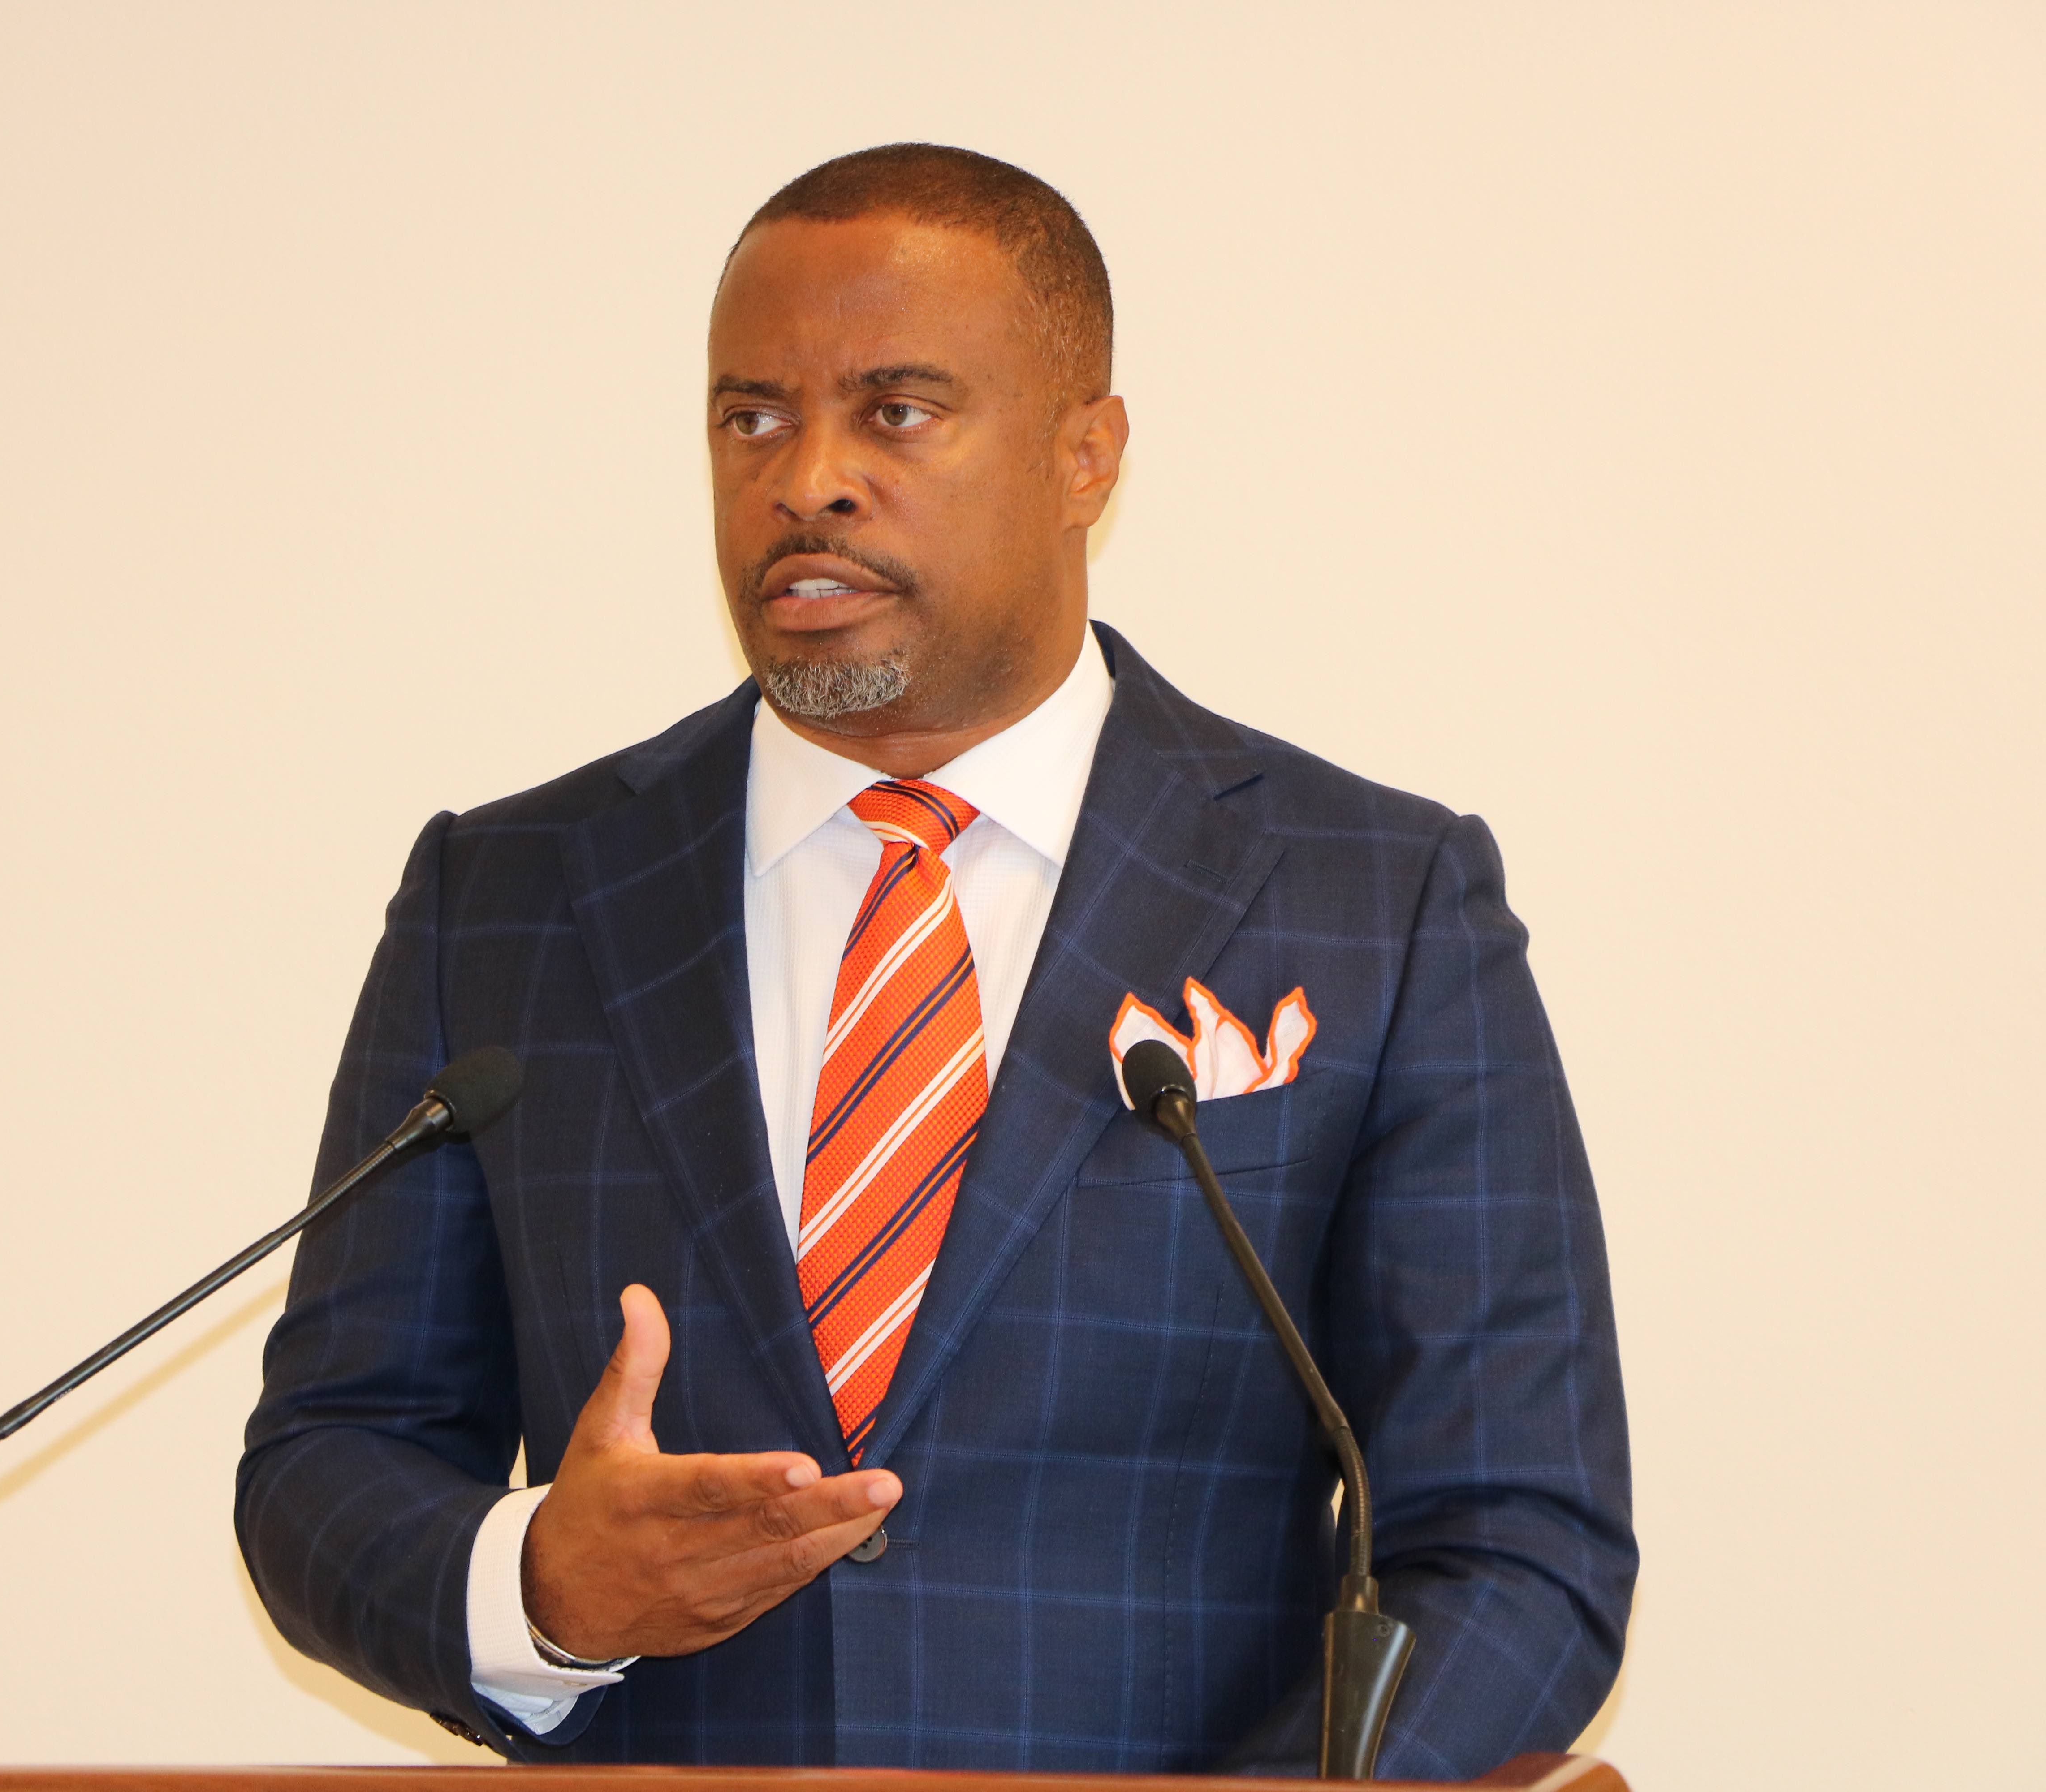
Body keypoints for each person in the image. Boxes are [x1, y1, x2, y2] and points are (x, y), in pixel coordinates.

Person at [236, 143, 1634, 1777]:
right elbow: (332, 1460)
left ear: (1085, 454)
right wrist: (539, 1587)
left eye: (896, 411)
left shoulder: (1372, 900)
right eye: (751, 417)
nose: (806, 478)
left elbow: (1516, 1542)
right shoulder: (512, 894)